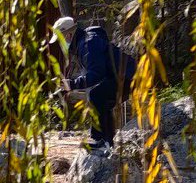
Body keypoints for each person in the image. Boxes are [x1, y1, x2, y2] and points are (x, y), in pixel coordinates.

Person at [52, 16, 136, 149]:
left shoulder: (87, 43)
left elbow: (96, 73)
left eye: (60, 39)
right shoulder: (84, 42)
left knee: (97, 95)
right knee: (100, 97)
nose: (60, 44)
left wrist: (72, 84)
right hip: (125, 75)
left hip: (129, 76)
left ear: (68, 35)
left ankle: (101, 140)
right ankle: (106, 141)